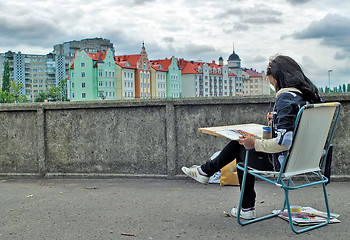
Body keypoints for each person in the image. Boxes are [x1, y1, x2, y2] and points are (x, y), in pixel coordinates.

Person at [182, 55, 323, 220]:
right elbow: (298, 129)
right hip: (309, 160)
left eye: (272, 83)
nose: (273, 87)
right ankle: (207, 172)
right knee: (242, 146)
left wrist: (254, 143)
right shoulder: (308, 97)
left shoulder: (285, 98)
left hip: (285, 163)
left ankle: (239, 201)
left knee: (241, 149)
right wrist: (277, 120)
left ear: (279, 79)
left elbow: (283, 143)